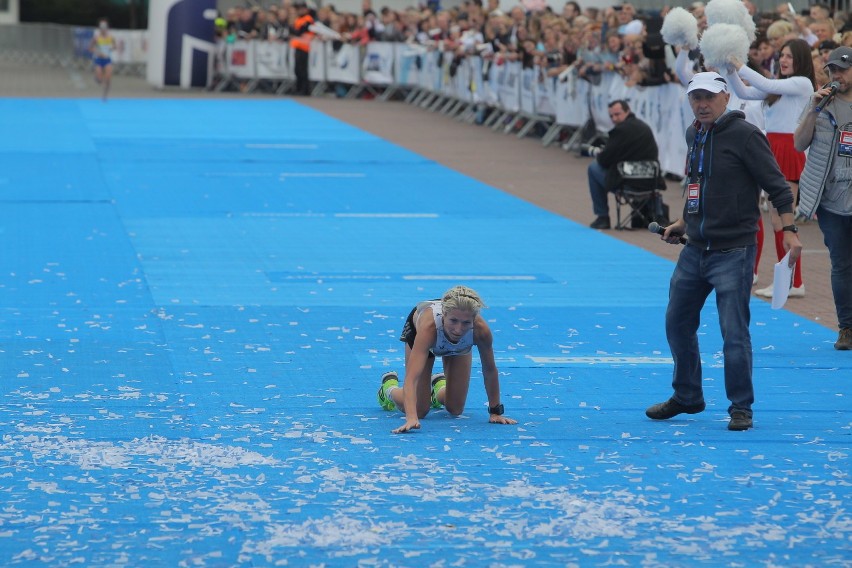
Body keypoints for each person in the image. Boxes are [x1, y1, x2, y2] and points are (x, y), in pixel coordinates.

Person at [646, 72, 802, 431]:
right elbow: (698, 184)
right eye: (695, 97)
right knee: (677, 323)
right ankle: (687, 396)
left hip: (734, 250)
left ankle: (740, 407)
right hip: (695, 248)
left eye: (709, 97)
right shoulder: (694, 134)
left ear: (725, 98)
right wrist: (684, 222)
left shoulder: (747, 136)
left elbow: (778, 188)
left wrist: (790, 231)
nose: (701, 104)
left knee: (734, 333)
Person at [727, 38, 815, 296]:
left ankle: (794, 282)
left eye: (789, 56)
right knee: (777, 221)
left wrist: (737, 62)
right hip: (771, 147)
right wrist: (730, 70)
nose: (784, 60)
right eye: (782, 56)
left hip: (788, 149)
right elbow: (744, 92)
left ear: (801, 60)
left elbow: (764, 83)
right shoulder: (780, 88)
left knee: (783, 219)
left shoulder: (802, 83)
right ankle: (788, 281)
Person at [377, 285, 517, 434]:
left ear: (474, 320)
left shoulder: (480, 331)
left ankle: (439, 386)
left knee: (455, 409)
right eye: (453, 321)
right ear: (444, 314)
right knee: (421, 410)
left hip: (458, 346)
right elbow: (412, 378)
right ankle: (389, 389)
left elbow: (489, 370)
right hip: (425, 338)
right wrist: (411, 417)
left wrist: (495, 412)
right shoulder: (428, 329)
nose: (458, 330)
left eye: (466, 323)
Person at [794, 46, 852, 350]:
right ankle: (846, 328)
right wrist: (813, 109)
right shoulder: (821, 104)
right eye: (832, 70)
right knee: (841, 265)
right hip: (831, 202)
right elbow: (798, 143)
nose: (837, 75)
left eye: (842, 69)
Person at [586, 99, 660, 230]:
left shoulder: (620, 131)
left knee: (593, 167)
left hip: (629, 183)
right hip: (652, 182)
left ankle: (602, 217)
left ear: (627, 111)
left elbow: (603, 159)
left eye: (617, 114)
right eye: (611, 116)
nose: (614, 118)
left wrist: (601, 154)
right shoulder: (644, 127)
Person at [290, 1, 315, 96]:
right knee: (297, 69)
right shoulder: (298, 19)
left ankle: (305, 90)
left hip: (304, 47)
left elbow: (300, 31)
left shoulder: (308, 19)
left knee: (303, 69)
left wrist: (293, 30)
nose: (300, 11)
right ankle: (298, 88)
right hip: (298, 46)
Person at [89, 18, 116, 102]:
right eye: (102, 28)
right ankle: (97, 78)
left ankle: (105, 95)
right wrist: (97, 52)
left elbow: (115, 46)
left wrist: (112, 48)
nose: (103, 30)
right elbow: (90, 48)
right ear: (100, 29)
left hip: (107, 59)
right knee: (100, 80)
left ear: (107, 28)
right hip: (99, 59)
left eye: (105, 28)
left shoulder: (111, 37)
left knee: (108, 78)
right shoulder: (96, 38)